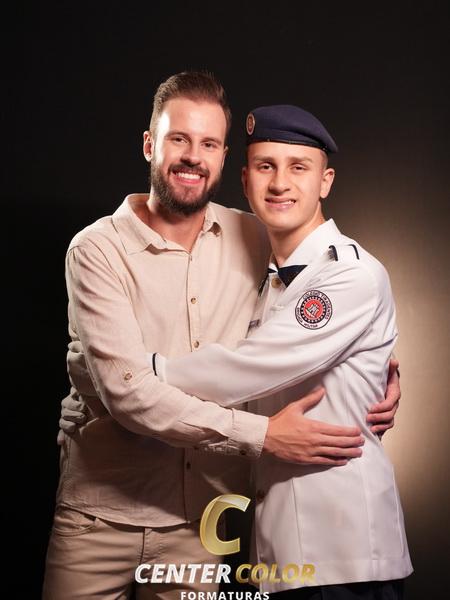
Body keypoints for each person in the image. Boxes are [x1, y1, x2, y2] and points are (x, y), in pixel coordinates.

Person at [46, 72, 401, 600]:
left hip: (203, 522)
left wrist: (377, 368)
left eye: (208, 143)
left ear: (223, 157)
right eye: (178, 139)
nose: (193, 156)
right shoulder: (98, 249)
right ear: (149, 144)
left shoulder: (258, 235)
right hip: (102, 513)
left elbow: (299, 334)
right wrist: (123, 386)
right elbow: (128, 394)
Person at [150, 104, 413, 598]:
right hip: (280, 555)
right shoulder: (263, 282)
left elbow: (248, 369)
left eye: (298, 167)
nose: (279, 184)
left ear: (325, 181)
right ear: (245, 179)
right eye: (265, 166)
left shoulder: (349, 273)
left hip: (346, 557)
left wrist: (143, 374)